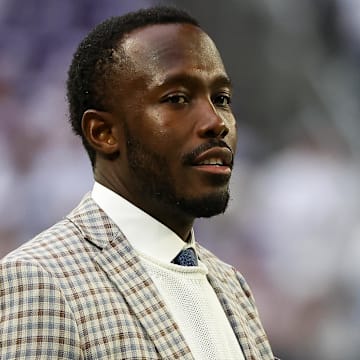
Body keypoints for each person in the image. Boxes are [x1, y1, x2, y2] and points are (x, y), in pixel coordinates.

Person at [0, 6, 277, 359]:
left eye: (221, 99)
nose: (216, 122)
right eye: (177, 98)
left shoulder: (231, 284)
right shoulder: (41, 280)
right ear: (103, 132)